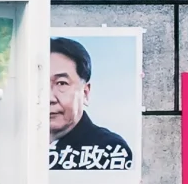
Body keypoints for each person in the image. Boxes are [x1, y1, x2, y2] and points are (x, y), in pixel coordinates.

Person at [47, 35, 134, 169]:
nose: (49, 98)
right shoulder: (15, 144)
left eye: (61, 83)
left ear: (85, 93)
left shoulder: (109, 149)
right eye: (38, 84)